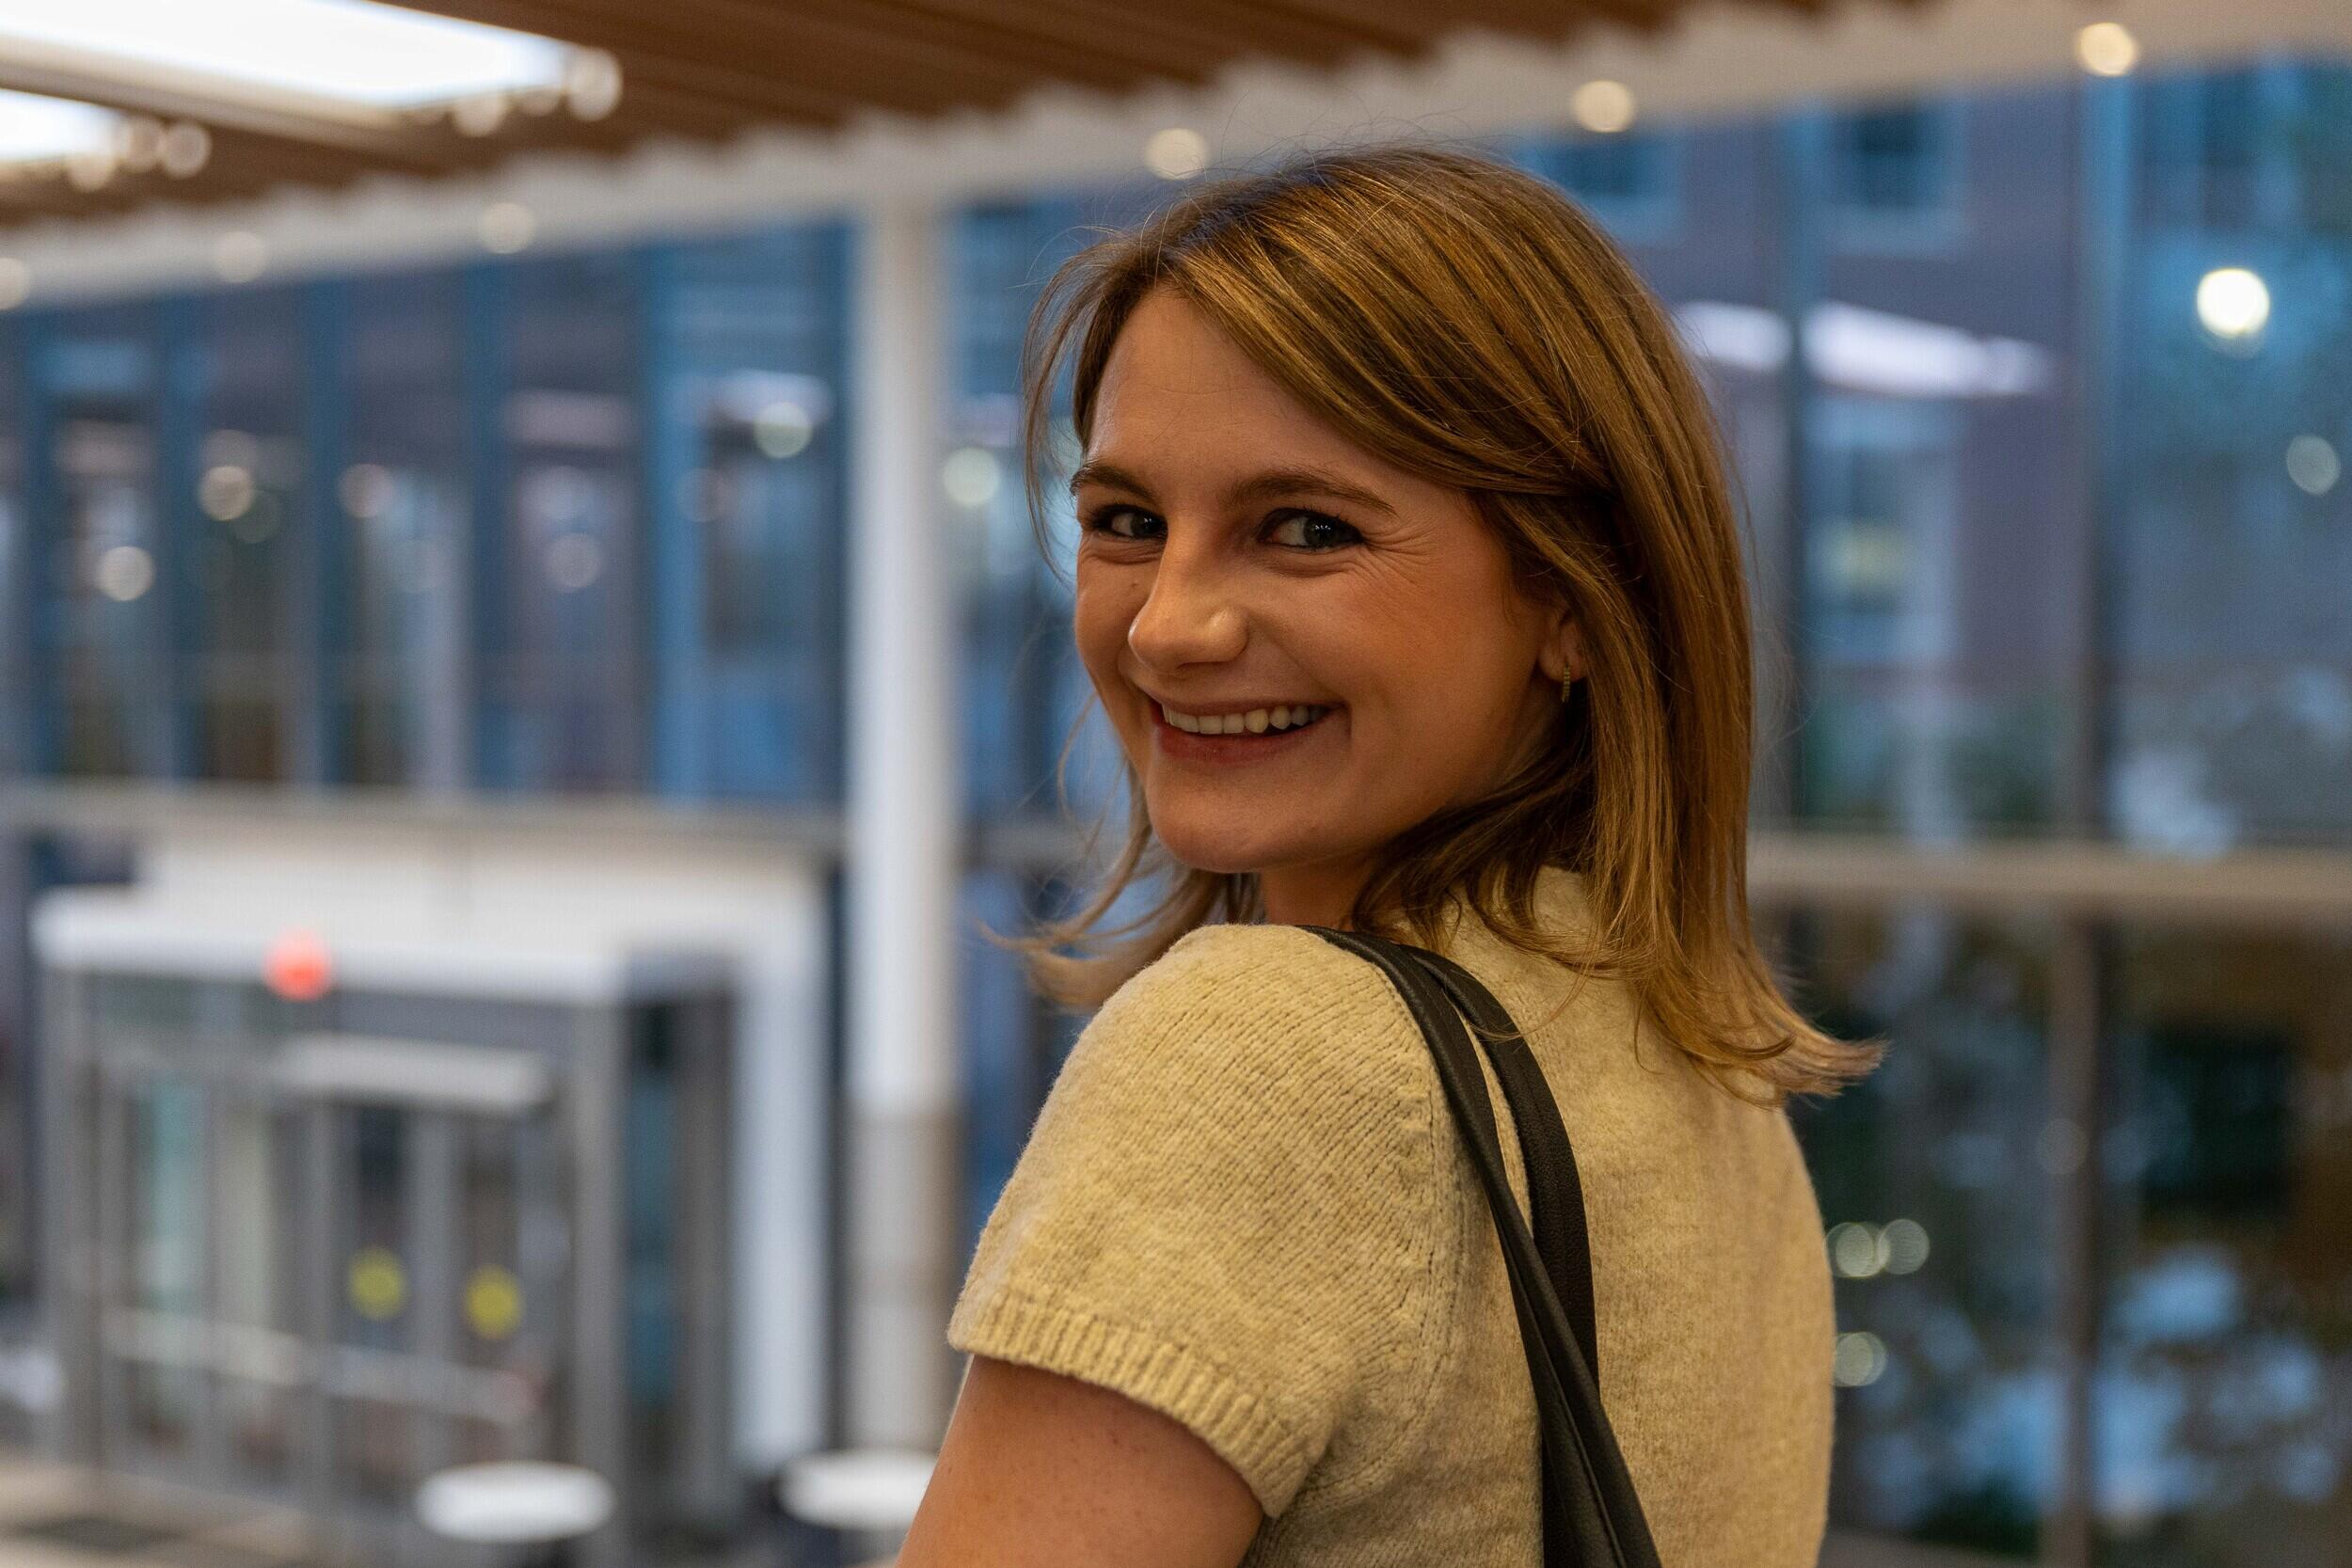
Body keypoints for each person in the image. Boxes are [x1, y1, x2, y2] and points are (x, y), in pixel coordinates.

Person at [895, 143, 1883, 1568]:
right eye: (1125, 523)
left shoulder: (1265, 1055)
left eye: (1304, 530)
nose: (1168, 625)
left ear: (1573, 596)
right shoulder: (1709, 1065)